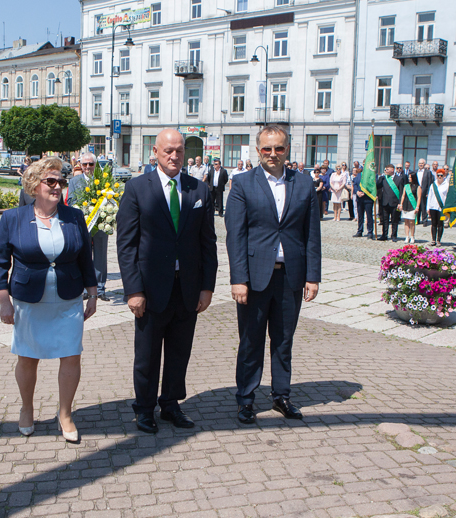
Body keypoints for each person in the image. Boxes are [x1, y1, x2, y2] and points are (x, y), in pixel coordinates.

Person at [116, 129, 217, 434]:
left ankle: (171, 404)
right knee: (147, 355)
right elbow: (127, 244)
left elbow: (207, 243)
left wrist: (207, 287)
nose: (174, 156)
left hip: (187, 288)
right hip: (150, 289)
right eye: (168, 151)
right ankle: (144, 408)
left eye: (179, 151)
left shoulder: (199, 190)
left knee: (179, 352)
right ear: (156, 153)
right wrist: (133, 290)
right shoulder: (137, 188)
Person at [0, 157, 98, 443]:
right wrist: (4, 300)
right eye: (51, 181)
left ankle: (65, 414)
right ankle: (27, 408)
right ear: (34, 184)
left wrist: (92, 293)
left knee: (71, 355)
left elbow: (85, 259)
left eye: (61, 181)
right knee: (28, 357)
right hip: (29, 301)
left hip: (68, 300)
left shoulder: (74, 217)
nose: (57, 186)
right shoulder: (12, 218)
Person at [226, 124, 321, 425]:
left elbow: (312, 234)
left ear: (287, 149)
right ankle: (246, 399)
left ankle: (281, 395)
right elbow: (235, 236)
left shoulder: (303, 183)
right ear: (258, 150)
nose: (273, 154)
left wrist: (313, 276)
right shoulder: (243, 183)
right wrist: (238, 279)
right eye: (267, 148)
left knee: (283, 341)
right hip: (254, 278)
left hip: (290, 276)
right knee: (250, 341)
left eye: (279, 148)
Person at [67, 153, 110, 301]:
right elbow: (71, 200)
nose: (87, 167)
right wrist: (83, 209)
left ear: (95, 165)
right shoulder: (74, 181)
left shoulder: (104, 179)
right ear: (80, 165)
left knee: (101, 256)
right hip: (83, 224)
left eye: (91, 164)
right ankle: (86, 288)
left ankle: (100, 288)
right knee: (84, 256)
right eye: (84, 164)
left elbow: (111, 199)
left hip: (101, 224)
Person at [376, 163, 405, 241]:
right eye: (385, 169)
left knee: (394, 220)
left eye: (387, 169)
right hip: (385, 202)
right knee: (385, 220)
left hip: (395, 203)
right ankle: (384, 235)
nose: (385, 171)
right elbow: (377, 186)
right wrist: (379, 179)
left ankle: (394, 235)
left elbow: (401, 192)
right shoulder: (384, 178)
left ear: (392, 170)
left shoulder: (399, 179)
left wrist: (400, 203)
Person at [398, 171, 422, 245]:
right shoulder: (406, 186)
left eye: (410, 177)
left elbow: (419, 198)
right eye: (408, 177)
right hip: (405, 205)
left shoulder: (418, 187)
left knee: (411, 222)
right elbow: (403, 196)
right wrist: (401, 204)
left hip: (413, 206)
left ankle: (412, 236)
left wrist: (417, 207)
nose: (409, 178)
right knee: (406, 222)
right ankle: (407, 236)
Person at [426, 168, 448, 246]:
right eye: (438, 175)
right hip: (433, 206)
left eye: (441, 175)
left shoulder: (446, 185)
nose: (439, 177)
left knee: (440, 224)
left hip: (441, 207)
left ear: (444, 176)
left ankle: (438, 240)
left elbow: (447, 197)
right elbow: (430, 196)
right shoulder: (433, 185)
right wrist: (428, 207)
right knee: (433, 223)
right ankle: (433, 240)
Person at [354, 163, 374, 239]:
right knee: (360, 216)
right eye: (363, 164)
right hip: (359, 198)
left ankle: (370, 232)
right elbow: (355, 184)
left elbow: (372, 186)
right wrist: (357, 192)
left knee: (369, 216)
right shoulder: (359, 174)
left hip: (368, 198)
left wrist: (364, 192)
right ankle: (359, 231)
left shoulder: (372, 175)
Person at [415, 159, 432, 224]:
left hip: (424, 191)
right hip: (416, 191)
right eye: (420, 163)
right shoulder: (415, 171)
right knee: (417, 205)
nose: (421, 164)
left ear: (424, 164)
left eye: (422, 163)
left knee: (423, 206)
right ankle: (417, 220)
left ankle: (424, 220)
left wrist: (428, 192)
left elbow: (429, 183)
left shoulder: (428, 172)